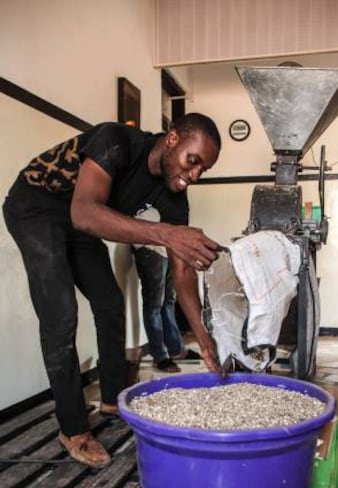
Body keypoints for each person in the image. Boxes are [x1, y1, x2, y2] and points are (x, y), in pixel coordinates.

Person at [3, 113, 222, 469]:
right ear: (171, 139)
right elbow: (85, 212)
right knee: (61, 314)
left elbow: (182, 275)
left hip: (79, 222)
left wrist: (205, 338)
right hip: (36, 206)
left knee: (110, 304)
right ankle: (73, 429)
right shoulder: (115, 140)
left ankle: (111, 400)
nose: (193, 174)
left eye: (203, 170)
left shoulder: (174, 197)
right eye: (192, 160)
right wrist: (165, 234)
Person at [132, 242, 202, 373]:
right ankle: (160, 355)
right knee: (154, 304)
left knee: (169, 301)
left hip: (170, 248)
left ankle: (176, 350)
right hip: (150, 247)